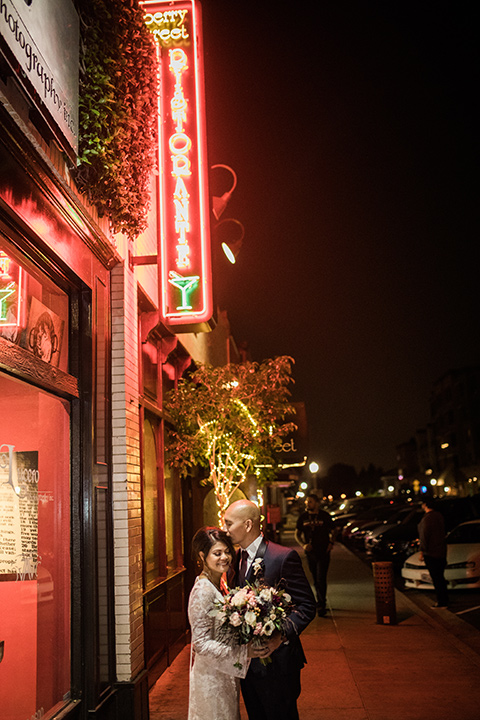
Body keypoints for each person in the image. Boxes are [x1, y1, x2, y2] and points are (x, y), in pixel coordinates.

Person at [224, 499, 316, 720]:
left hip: (279, 665)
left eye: (229, 524)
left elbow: (306, 606)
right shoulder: (235, 559)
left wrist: (279, 637)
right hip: (247, 665)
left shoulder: (283, 557)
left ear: (247, 525)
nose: (225, 530)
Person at [187, 526, 269, 720]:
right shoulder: (202, 591)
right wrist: (243, 652)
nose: (224, 557)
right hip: (210, 678)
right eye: (217, 553)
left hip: (225, 673)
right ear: (202, 555)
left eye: (226, 552)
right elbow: (200, 644)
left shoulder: (221, 583)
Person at [294, 493, 334, 616]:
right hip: (310, 552)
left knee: (321, 577)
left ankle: (322, 604)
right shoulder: (303, 517)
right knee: (315, 578)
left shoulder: (324, 516)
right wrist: (303, 545)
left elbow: (332, 530)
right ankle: (319, 600)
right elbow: (297, 534)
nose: (307, 503)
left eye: (310, 501)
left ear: (316, 503)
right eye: (306, 501)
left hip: (323, 551)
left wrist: (331, 543)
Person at [418, 496, 449, 609]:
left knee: (436, 578)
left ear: (425, 505)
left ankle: (441, 601)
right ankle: (444, 599)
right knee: (440, 577)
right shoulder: (439, 516)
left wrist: (422, 551)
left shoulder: (427, 518)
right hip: (441, 551)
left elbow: (424, 536)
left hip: (431, 553)